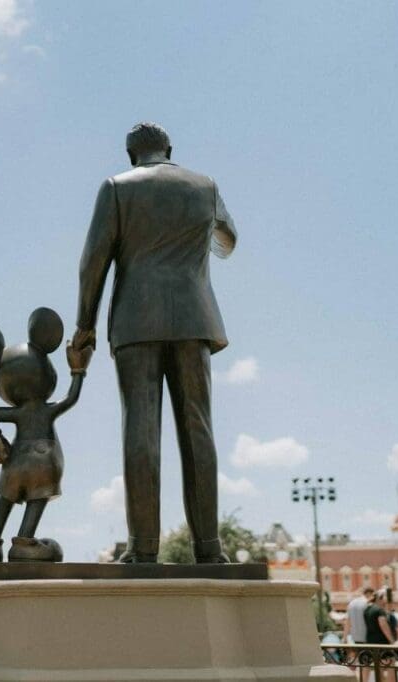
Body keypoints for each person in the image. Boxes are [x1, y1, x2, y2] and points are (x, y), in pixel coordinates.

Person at [71, 121, 238, 563]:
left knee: (140, 431)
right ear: (170, 148)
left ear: (131, 155)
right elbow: (228, 241)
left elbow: (93, 262)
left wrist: (84, 327)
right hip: (194, 319)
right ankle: (210, 550)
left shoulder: (117, 188)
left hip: (135, 320)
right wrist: (195, 232)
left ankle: (143, 549)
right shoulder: (205, 186)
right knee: (199, 430)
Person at [364, 589, 396, 682]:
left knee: (378, 665)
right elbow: (383, 625)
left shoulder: (367, 610)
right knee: (391, 664)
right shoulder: (379, 610)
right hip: (382, 642)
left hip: (370, 641)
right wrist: (392, 640)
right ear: (379, 599)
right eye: (383, 599)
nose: (385, 601)